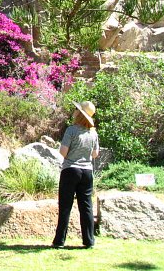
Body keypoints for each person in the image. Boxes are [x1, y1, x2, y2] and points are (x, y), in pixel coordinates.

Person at [52, 100, 99, 249]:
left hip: (71, 170)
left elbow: (63, 152)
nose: (74, 111)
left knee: (65, 206)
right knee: (86, 206)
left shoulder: (71, 130)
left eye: (76, 109)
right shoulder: (93, 133)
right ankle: (89, 241)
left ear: (79, 114)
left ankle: (59, 241)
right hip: (87, 172)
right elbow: (95, 154)